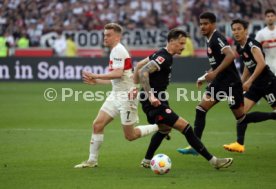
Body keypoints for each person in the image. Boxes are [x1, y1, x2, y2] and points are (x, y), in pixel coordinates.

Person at [134, 28, 234, 170]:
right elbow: (144, 71)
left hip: (158, 99)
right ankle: (214, 161)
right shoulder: (164, 57)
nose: (183, 46)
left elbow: (138, 66)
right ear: (172, 41)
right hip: (154, 101)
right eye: (181, 43)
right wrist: (150, 95)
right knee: (186, 127)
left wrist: (135, 87)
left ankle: (146, 160)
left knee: (165, 128)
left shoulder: (162, 54)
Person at [177, 12, 276, 155]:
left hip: (237, 83)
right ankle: (196, 146)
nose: (202, 27)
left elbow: (231, 56)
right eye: (201, 24)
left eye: (205, 24)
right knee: (201, 109)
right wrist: (205, 76)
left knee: (241, 117)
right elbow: (244, 64)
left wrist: (244, 81)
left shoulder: (218, 39)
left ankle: (271, 117)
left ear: (213, 24)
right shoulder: (217, 41)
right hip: (222, 82)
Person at [74, 23, 158, 168]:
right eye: (104, 34)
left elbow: (118, 73)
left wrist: (95, 75)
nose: (105, 37)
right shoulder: (114, 51)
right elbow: (118, 78)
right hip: (116, 94)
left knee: (129, 136)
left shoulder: (118, 50)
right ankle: (92, 161)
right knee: (97, 124)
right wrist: (98, 81)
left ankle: (159, 126)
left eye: (108, 35)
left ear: (117, 36)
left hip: (127, 97)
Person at [223, 19, 276, 151]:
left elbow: (262, 63)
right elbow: (248, 64)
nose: (236, 32)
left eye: (239, 29)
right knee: (241, 113)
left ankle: (273, 115)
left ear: (246, 30)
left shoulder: (252, 44)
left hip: (268, 83)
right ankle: (239, 144)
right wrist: (242, 81)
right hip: (256, 85)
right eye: (234, 29)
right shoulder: (239, 46)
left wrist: (249, 81)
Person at [255, 9, 276, 75]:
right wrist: (261, 46)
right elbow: (254, 49)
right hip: (267, 64)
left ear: (275, 17)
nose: (270, 18)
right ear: (265, 18)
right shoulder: (260, 33)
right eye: (268, 16)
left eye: (272, 16)